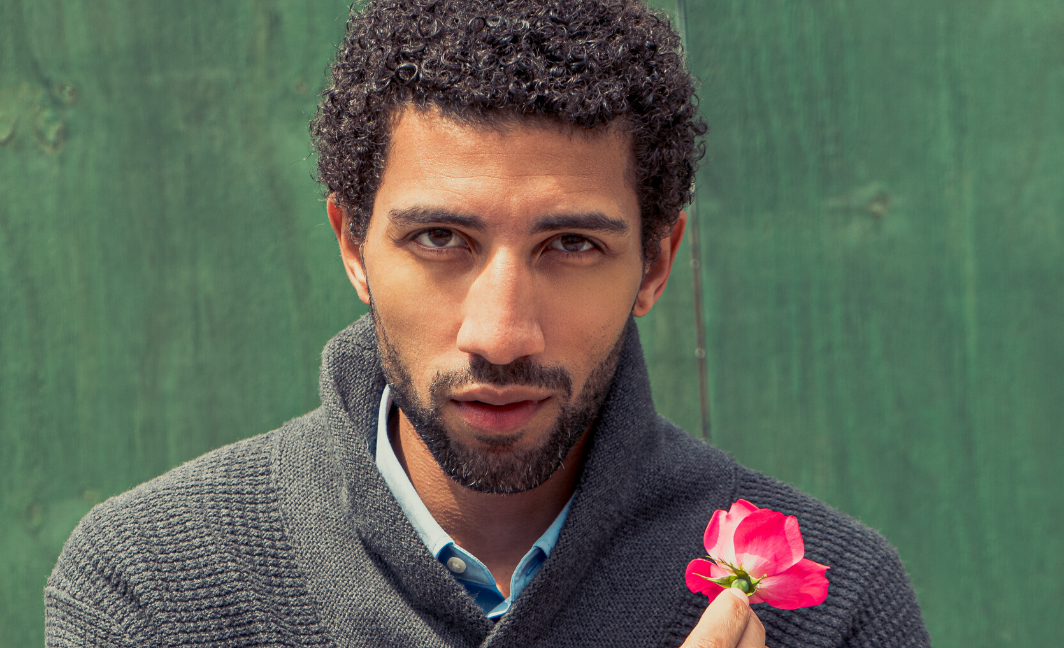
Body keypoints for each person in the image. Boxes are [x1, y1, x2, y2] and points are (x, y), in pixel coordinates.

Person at [45, 1, 929, 646]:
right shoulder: (151, 587)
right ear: (352, 244)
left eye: (572, 245)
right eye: (441, 239)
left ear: (656, 263)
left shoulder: (836, 604)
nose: (502, 334)